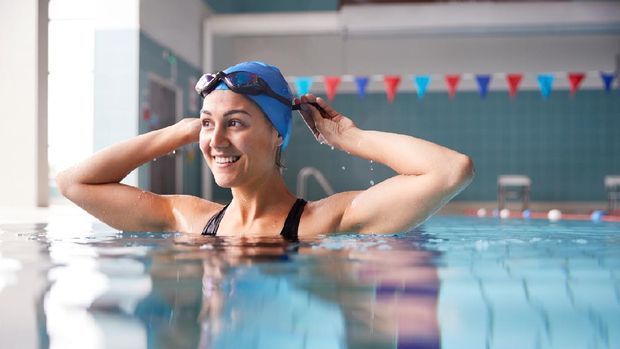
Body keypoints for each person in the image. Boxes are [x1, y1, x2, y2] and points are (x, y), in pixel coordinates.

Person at [56, 61, 474, 240]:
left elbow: (451, 170)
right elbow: (73, 182)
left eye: (235, 123)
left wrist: (349, 137)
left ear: (278, 134)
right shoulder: (188, 218)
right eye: (208, 123)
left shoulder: (327, 221)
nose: (216, 141)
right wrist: (184, 130)